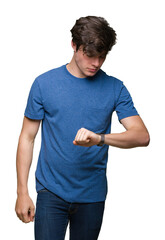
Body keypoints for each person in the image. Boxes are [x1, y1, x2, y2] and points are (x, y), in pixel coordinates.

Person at [15, 16, 150, 240]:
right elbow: (27, 138)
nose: (96, 63)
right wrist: (22, 192)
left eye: (102, 57)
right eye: (90, 55)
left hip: (92, 195)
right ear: (74, 45)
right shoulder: (44, 84)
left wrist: (100, 139)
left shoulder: (115, 88)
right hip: (51, 191)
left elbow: (142, 136)